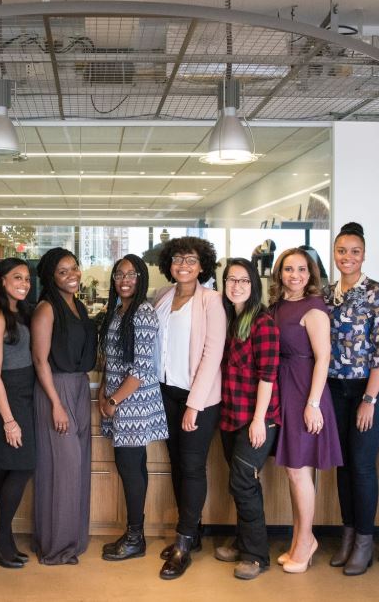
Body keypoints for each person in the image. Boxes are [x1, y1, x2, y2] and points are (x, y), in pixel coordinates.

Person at [324, 223, 379, 576]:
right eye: (341, 250)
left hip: (371, 389)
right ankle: (348, 535)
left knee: (362, 464)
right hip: (337, 388)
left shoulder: (376, 292)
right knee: (343, 464)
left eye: (354, 251)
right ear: (334, 253)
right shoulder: (327, 294)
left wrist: (369, 398)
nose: (347, 257)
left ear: (364, 254)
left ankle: (365, 542)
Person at [153, 236, 226, 580]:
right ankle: (191, 533)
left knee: (193, 467)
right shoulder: (163, 298)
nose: (183, 265)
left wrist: (194, 405)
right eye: (178, 259)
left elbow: (213, 353)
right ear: (169, 264)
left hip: (199, 397)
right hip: (166, 392)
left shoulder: (211, 300)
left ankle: (183, 544)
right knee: (177, 465)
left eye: (191, 260)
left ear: (202, 266)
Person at [268, 248, 342, 574]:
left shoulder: (314, 308)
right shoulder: (277, 306)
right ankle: (301, 539)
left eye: (301, 269)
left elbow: (323, 357)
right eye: (288, 269)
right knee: (292, 471)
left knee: (300, 471)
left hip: (303, 392)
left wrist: (313, 404)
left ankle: (305, 542)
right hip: (283, 389)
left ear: (310, 274)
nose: (294, 275)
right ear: (279, 273)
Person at [214, 258, 280, 580]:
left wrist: (258, 419)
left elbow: (268, 375)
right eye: (230, 280)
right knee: (242, 484)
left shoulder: (262, 323)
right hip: (230, 414)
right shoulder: (229, 319)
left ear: (254, 285)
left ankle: (256, 555)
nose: (236, 286)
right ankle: (243, 541)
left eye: (243, 280)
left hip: (257, 418)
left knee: (242, 482)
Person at [98, 254, 167, 562]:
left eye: (131, 274)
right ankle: (133, 533)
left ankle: (135, 537)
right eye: (119, 274)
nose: (124, 280)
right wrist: (103, 391)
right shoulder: (117, 311)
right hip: (118, 399)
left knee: (130, 469)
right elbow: (111, 360)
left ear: (141, 279)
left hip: (133, 404)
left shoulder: (143, 312)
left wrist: (113, 400)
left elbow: (140, 369)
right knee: (131, 468)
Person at [31, 247, 97, 565]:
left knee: (79, 467)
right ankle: (55, 546)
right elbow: (40, 360)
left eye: (74, 268)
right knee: (62, 469)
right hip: (55, 390)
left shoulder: (79, 306)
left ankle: (72, 540)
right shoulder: (46, 308)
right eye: (63, 271)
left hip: (80, 387)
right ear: (50, 277)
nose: (72, 275)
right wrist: (56, 404)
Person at [0, 258, 36, 568]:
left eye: (27, 278)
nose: (24, 283)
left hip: (26, 393)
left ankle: (3, 538)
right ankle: (0, 536)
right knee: (21, 466)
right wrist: (8, 420)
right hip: (7, 395)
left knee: (7, 467)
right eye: (17, 277)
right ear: (2, 280)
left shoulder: (22, 311)